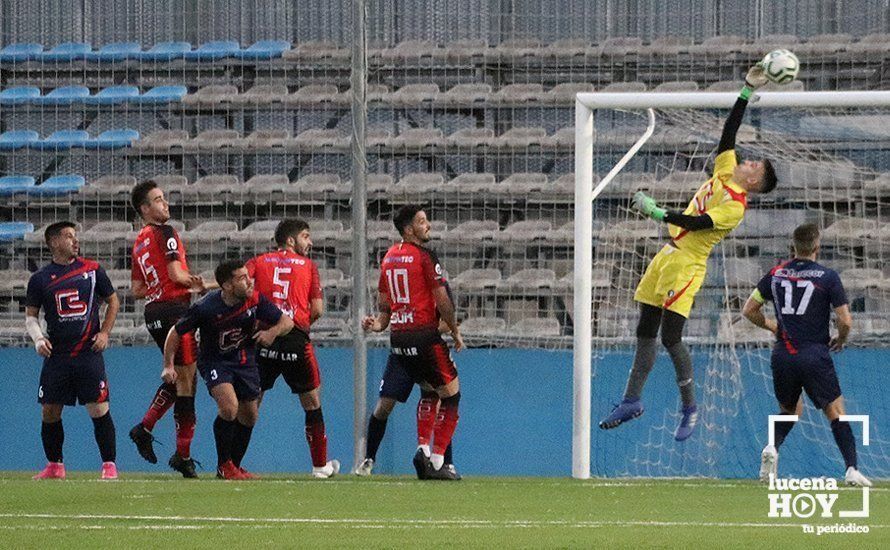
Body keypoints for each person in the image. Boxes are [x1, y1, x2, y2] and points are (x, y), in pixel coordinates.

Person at [599, 63, 779, 441]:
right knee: (644, 329)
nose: (748, 160)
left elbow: (697, 224)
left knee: (671, 337)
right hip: (667, 255)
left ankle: (690, 407)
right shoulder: (726, 171)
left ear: (756, 181)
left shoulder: (736, 206)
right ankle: (632, 400)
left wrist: (657, 211)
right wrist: (746, 90)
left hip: (687, 264)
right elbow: (729, 133)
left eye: (755, 164)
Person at [742, 223, 871, 487]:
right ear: (817, 247)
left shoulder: (775, 274)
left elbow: (749, 309)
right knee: (836, 410)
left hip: (783, 355)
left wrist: (772, 325)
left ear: (794, 246)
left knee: (790, 409)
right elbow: (845, 320)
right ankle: (851, 469)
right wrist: (841, 339)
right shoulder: (827, 277)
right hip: (813, 353)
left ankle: (771, 448)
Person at [162, 260, 293, 480]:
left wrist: (273, 332)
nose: (249, 280)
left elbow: (286, 322)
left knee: (250, 415)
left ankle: (233, 466)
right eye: (242, 278)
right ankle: (224, 465)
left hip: (245, 361)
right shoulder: (206, 307)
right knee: (230, 408)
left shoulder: (255, 300)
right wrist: (168, 365)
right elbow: (176, 332)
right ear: (227, 286)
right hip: (215, 362)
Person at [361, 205, 463, 480]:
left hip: (399, 338)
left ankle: (423, 449)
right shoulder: (426, 257)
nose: (427, 225)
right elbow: (443, 300)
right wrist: (454, 331)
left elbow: (385, 309)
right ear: (409, 229)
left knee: (429, 389)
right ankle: (438, 460)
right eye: (422, 221)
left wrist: (376, 325)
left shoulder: (389, 258)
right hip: (423, 335)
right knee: (451, 395)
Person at [244, 219, 339, 478]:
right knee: (311, 403)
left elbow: (240, 284)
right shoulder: (308, 266)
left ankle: (230, 461)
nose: (310, 242)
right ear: (290, 240)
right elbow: (317, 309)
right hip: (295, 337)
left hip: (262, 336)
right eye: (306, 236)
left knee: (251, 403)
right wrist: (299, 322)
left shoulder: (259, 261)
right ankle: (320, 466)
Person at [26, 221, 120, 480]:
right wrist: (37, 339)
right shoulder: (39, 279)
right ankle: (55, 466)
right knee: (50, 410)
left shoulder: (92, 270)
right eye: (69, 236)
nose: (75, 240)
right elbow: (31, 316)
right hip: (57, 354)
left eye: (75, 236)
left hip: (88, 351)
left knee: (98, 407)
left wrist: (105, 333)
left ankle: (109, 465)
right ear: (54, 242)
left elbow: (113, 300)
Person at [128, 179, 208, 478]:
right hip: (175, 310)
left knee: (179, 379)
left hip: (153, 312)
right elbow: (176, 274)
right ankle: (182, 455)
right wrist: (196, 283)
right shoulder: (166, 233)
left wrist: (165, 283)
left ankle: (145, 428)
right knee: (187, 383)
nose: (166, 204)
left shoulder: (139, 240)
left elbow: (137, 288)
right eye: (159, 200)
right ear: (145, 208)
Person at [354, 318, 458, 480]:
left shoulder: (436, 294)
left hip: (424, 350)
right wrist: (375, 325)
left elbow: (449, 321)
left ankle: (444, 462)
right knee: (383, 407)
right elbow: (387, 318)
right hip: (401, 355)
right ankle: (369, 459)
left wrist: (422, 335)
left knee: (439, 397)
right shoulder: (397, 294)